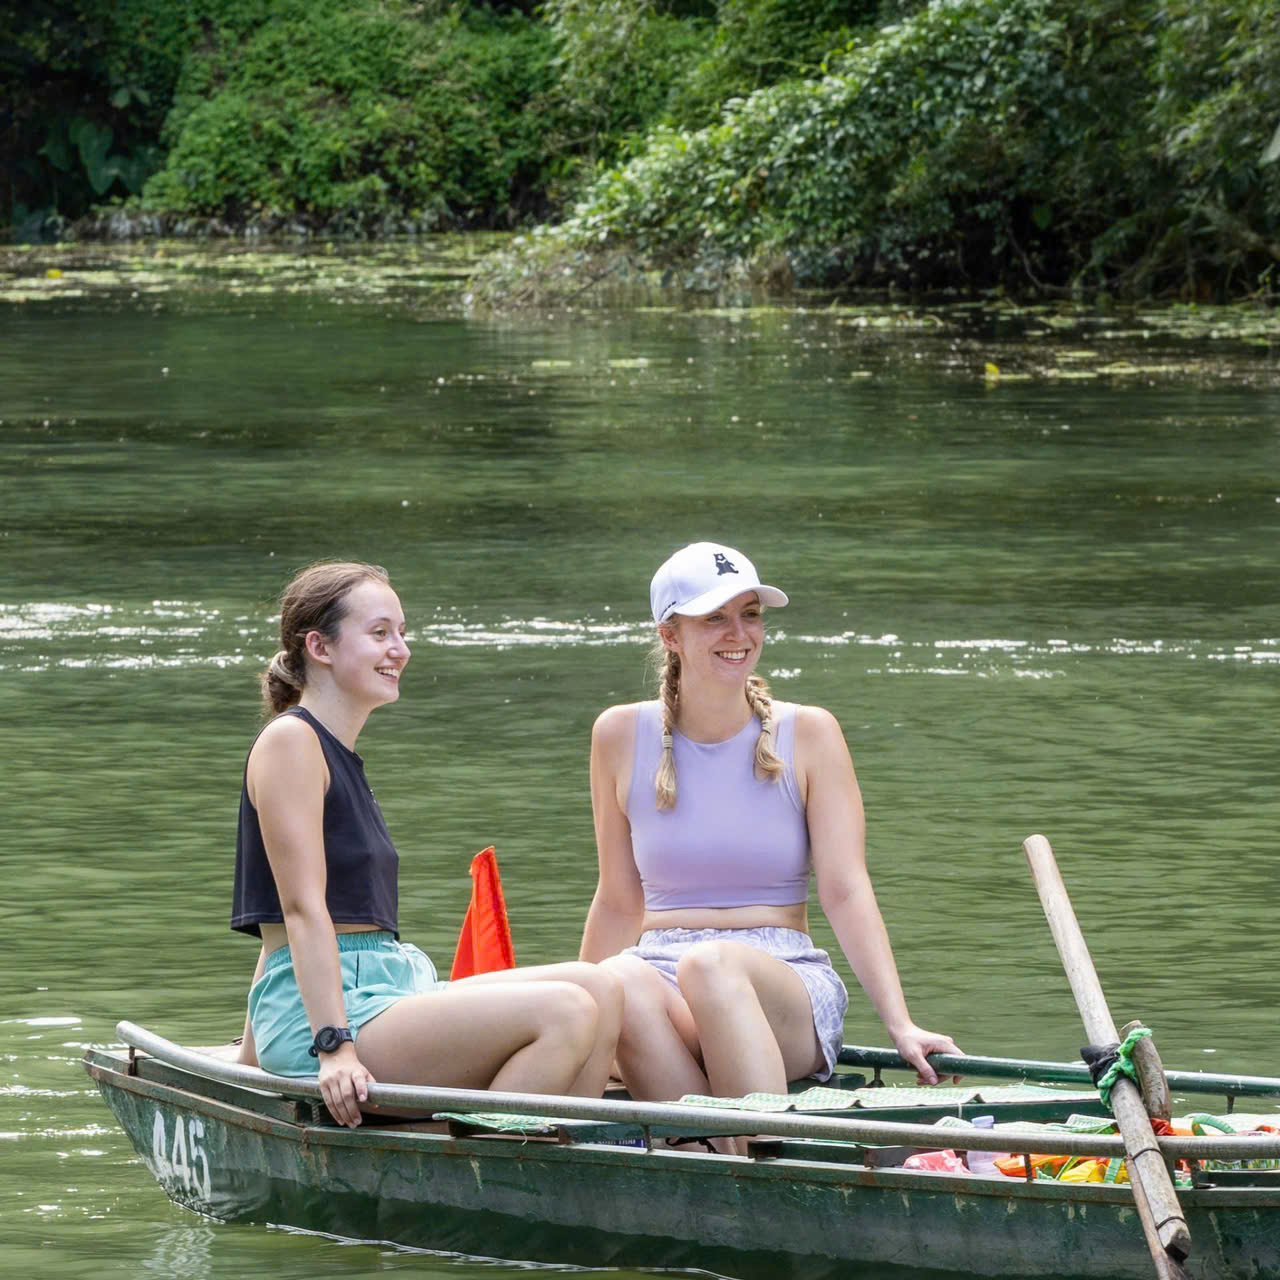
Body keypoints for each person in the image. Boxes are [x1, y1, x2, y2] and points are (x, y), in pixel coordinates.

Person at [232, 560, 622, 1127]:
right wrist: (332, 1046)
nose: (401, 650)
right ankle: (485, 1172)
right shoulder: (292, 742)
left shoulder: (338, 753)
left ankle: (554, 1149)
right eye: (380, 633)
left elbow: (280, 925)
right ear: (319, 646)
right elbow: (299, 912)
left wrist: (247, 1054)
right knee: (564, 1012)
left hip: (385, 988)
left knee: (601, 988)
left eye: (402, 633)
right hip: (331, 1016)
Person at [580, 541, 958, 1112]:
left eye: (750, 614)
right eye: (715, 618)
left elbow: (845, 888)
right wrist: (585, 1014)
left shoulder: (810, 733)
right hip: (655, 976)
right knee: (615, 983)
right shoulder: (616, 735)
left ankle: (757, 1145)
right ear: (670, 635)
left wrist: (900, 1024)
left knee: (712, 965)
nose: (739, 634)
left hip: (782, 979)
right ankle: (719, 1154)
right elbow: (615, 900)